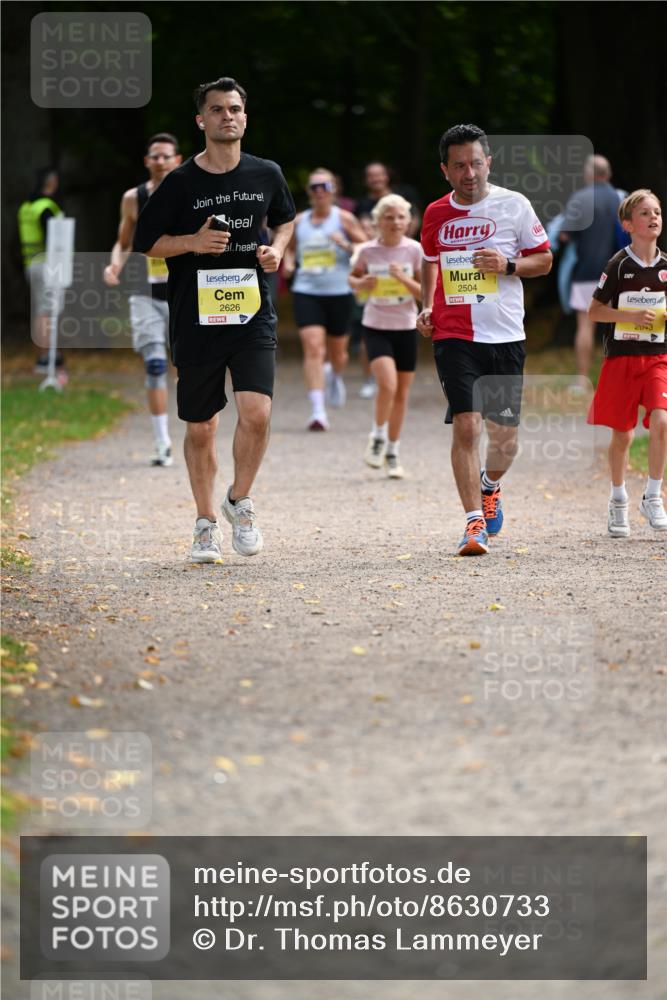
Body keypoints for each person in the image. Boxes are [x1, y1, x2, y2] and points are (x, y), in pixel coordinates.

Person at [134, 76, 295, 562]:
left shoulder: (266, 173)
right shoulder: (180, 182)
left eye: (235, 109)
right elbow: (146, 242)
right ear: (201, 120)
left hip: (252, 311)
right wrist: (191, 243)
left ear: (245, 117)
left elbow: (285, 219)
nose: (228, 116)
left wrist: (277, 250)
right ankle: (205, 523)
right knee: (202, 426)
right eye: (218, 109)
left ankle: (239, 501)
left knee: (257, 413)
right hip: (196, 316)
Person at [417, 123, 552, 556]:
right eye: (459, 166)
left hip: (506, 335)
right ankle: (473, 522)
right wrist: (426, 305)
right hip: (454, 334)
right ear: (445, 170)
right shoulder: (436, 213)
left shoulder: (514, 205)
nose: (469, 173)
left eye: (476, 163)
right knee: (467, 424)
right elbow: (429, 261)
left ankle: (490, 485)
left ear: (488, 162)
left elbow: (544, 260)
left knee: (505, 439)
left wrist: (508, 265)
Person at [587, 189, 667, 536]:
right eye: (645, 213)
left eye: (657, 212)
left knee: (663, 422)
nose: (653, 218)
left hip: (657, 358)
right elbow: (594, 312)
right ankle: (618, 499)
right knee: (623, 435)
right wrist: (630, 316)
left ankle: (653, 495)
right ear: (628, 225)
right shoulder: (619, 264)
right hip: (622, 358)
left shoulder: (665, 267)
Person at [104, 133, 182, 466]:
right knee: (154, 364)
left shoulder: (190, 192)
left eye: (166, 156)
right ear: (147, 161)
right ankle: (162, 441)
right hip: (144, 292)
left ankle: (197, 433)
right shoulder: (133, 198)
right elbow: (123, 242)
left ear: (177, 160)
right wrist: (115, 265)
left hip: (182, 292)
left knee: (192, 368)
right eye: (155, 156)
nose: (161, 161)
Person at [283, 169, 366, 430]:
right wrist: (288, 263)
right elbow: (289, 249)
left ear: (334, 189)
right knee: (313, 348)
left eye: (324, 186)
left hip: (339, 291)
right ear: (308, 192)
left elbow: (366, 249)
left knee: (338, 353)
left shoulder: (344, 219)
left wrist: (345, 245)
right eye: (314, 187)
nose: (319, 191)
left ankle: (334, 374)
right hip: (307, 291)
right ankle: (318, 411)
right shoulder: (299, 221)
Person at [349, 194, 422, 478]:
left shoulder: (415, 250)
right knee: (388, 384)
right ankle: (378, 435)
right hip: (376, 326)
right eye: (389, 217)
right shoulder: (368, 251)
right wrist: (362, 282)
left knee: (402, 393)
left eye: (401, 217)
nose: (395, 222)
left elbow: (425, 293)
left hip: (406, 327)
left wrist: (403, 279)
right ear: (378, 221)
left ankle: (392, 452)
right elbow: (353, 279)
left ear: (408, 221)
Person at [561, 155, 624, 388]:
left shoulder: (580, 199)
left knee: (585, 326)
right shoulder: (622, 199)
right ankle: (619, 381)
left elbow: (565, 235)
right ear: (608, 173)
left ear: (589, 174)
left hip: (586, 272)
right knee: (620, 327)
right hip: (619, 274)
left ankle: (582, 380)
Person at [17, 167, 67, 382]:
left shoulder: (26, 207)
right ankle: (48, 357)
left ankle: (42, 356)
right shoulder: (46, 207)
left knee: (40, 311)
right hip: (48, 265)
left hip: (31, 264)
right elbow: (54, 239)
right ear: (52, 182)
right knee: (49, 311)